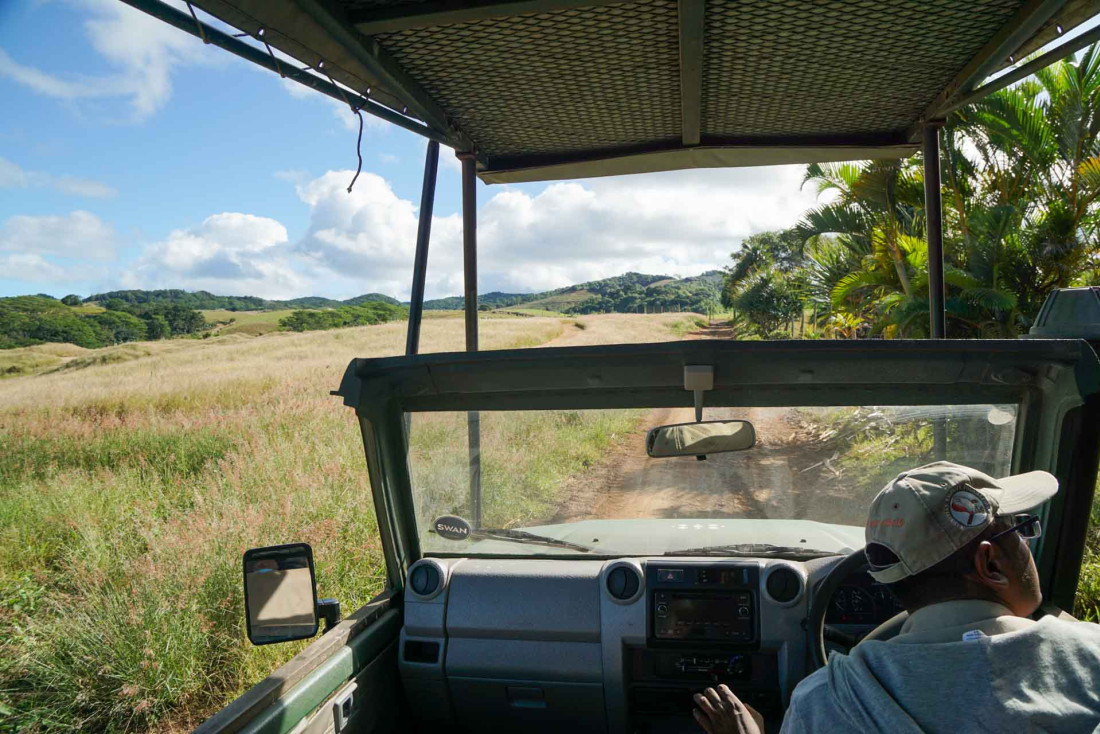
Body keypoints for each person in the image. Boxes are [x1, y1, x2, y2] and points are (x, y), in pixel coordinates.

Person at [692, 461, 1100, 734]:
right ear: (990, 564)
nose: (1028, 546)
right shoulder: (1090, 659)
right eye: (1020, 530)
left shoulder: (821, 703)